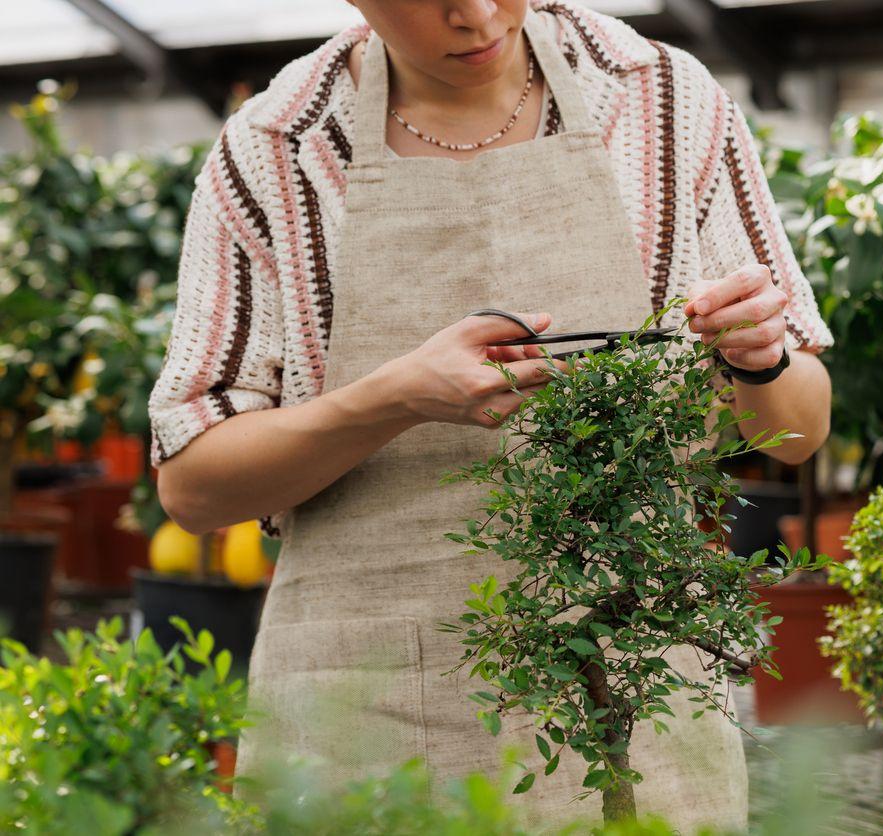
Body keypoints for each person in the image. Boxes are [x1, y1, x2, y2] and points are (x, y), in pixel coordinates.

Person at [148, 0, 834, 830]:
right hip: (363, 692)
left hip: (632, 673)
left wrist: (757, 356)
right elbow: (193, 486)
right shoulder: (274, 149)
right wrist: (393, 399)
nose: (474, 16)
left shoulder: (659, 98)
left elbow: (799, 432)